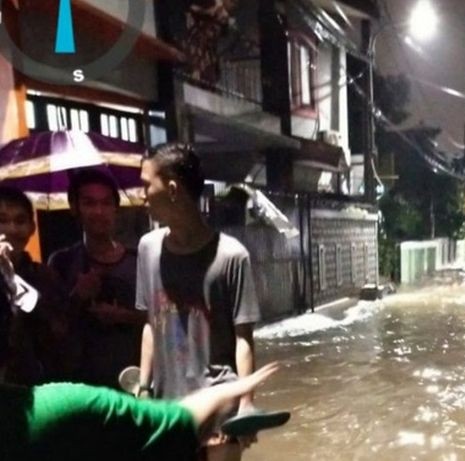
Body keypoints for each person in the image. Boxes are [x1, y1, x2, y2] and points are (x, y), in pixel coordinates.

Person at [0, 239, 281, 461]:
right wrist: (228, 393)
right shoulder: (65, 406)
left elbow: (149, 322)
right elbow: (175, 421)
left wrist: (242, 404)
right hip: (115, 393)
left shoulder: (227, 255)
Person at [136, 143, 262, 461]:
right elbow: (151, 325)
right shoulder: (148, 249)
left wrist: (246, 404)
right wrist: (143, 387)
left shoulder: (232, 256)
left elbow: (243, 340)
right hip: (167, 412)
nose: (142, 195)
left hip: (219, 409)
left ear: (173, 188)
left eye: (146, 184)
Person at [48, 168, 145, 389]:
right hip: (80, 385)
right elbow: (51, 331)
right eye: (89, 203)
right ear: (75, 208)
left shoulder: (138, 260)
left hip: (134, 381)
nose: (99, 211)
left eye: (106, 203)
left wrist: (124, 316)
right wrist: (77, 297)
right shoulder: (62, 262)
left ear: (115, 208)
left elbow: (160, 320)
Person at [0, 186, 76, 384]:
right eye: (2, 220)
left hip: (38, 390)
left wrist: (13, 282)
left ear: (32, 228)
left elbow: (61, 334)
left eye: (20, 221)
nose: (11, 229)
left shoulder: (45, 276)